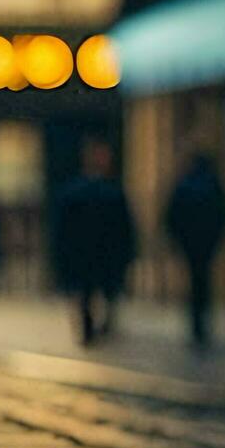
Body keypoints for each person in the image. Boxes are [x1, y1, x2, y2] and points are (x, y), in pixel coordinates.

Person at [54, 138, 136, 345]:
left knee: (98, 291)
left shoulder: (110, 192)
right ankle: (89, 326)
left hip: (98, 252)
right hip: (89, 253)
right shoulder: (84, 192)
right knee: (89, 292)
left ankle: (96, 324)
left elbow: (124, 227)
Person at [165, 154, 225, 346]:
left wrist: (177, 240)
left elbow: (172, 216)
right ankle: (202, 324)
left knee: (195, 281)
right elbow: (223, 215)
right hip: (207, 244)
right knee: (203, 282)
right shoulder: (213, 186)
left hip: (190, 244)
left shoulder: (185, 186)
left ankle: (196, 323)